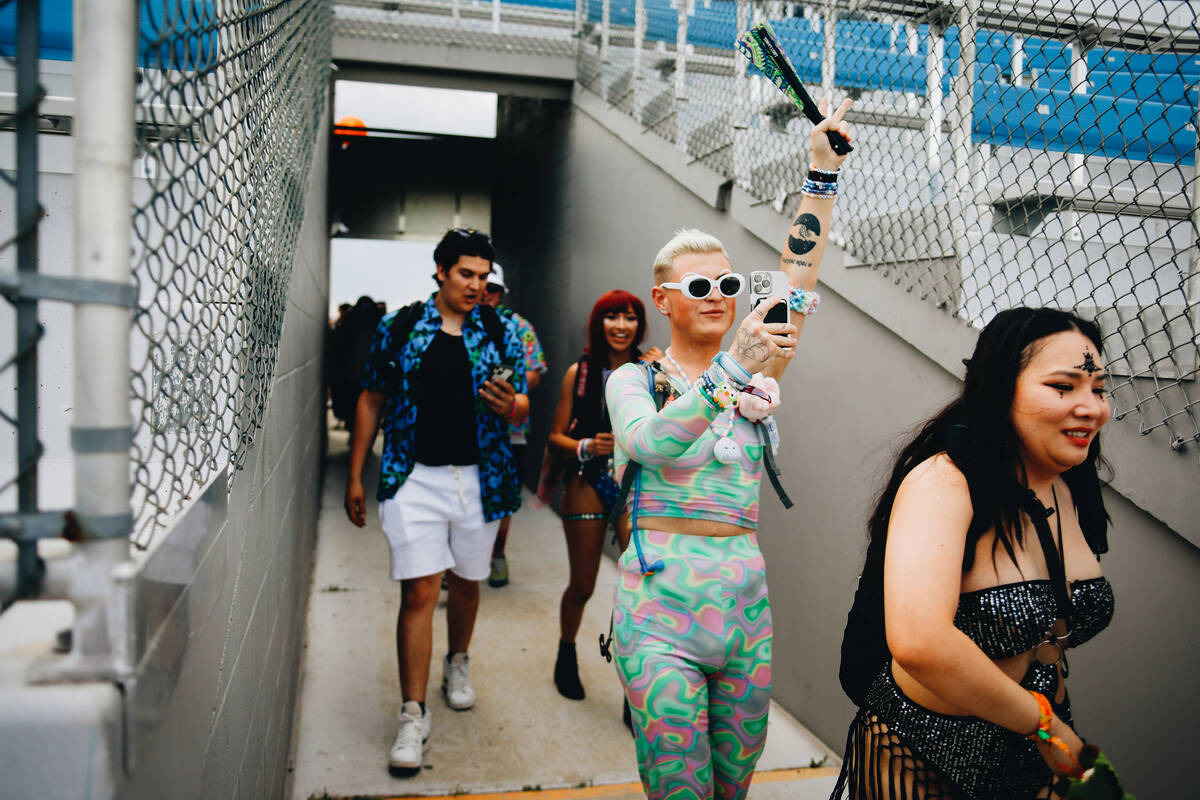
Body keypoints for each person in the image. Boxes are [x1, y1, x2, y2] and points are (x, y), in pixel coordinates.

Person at [605, 100, 853, 799]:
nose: (720, 296)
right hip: (659, 614)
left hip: (745, 609)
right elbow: (650, 443)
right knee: (681, 790)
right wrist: (731, 373)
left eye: (729, 285)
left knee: (733, 788)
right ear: (663, 298)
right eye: (700, 286)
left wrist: (821, 174)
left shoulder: (757, 359)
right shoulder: (634, 378)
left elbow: (796, 278)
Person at [830, 307, 1114, 800]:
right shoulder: (944, 481)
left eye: (1100, 388)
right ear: (1000, 389)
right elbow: (920, 641)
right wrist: (1045, 727)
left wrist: (1049, 730)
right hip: (924, 755)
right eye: (1064, 387)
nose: (1091, 407)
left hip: (1035, 755)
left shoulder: (1070, 484)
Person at [343, 227, 529, 776]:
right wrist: (356, 475)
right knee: (421, 589)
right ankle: (412, 713)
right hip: (414, 478)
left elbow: (521, 407)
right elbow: (371, 399)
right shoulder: (401, 327)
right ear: (442, 271)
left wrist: (511, 405)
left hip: (481, 479)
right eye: (466, 274)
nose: (476, 285)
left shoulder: (499, 330)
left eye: (483, 276)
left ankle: (458, 662)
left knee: (468, 583)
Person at [542, 290, 661, 701]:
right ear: (599, 323)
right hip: (587, 480)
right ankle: (566, 653)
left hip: (637, 485)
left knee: (641, 588)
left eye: (629, 318)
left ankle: (635, 685)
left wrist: (666, 373)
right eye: (612, 317)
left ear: (639, 325)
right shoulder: (581, 373)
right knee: (583, 584)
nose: (621, 326)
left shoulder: (653, 369)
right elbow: (555, 436)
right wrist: (586, 446)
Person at [478, 262, 548, 588]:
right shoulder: (455, 323)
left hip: (509, 431)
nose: (485, 294)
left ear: (500, 293)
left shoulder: (518, 327)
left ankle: (497, 555)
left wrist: (508, 390)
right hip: (464, 432)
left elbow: (534, 371)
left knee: (502, 498)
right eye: (481, 286)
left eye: (492, 288)